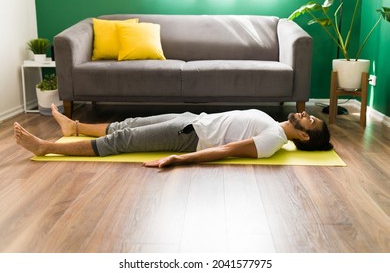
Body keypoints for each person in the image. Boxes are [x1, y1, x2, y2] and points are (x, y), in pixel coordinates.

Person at [14, 104, 333, 168]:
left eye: (311, 121)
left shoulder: (273, 140)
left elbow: (227, 150)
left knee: (123, 142)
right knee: (130, 122)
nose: (306, 114)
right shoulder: (275, 124)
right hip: (193, 120)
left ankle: (45, 147)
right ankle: (74, 128)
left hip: (189, 136)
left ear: (304, 138)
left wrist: (179, 158)